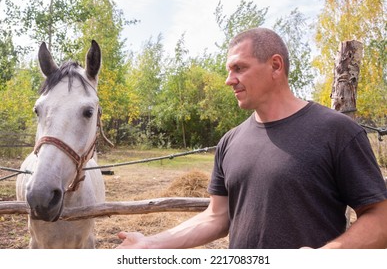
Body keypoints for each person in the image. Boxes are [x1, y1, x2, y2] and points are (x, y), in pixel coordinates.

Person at [117, 27, 387, 249]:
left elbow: (380, 219)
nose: (228, 80)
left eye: (239, 68)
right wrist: (150, 244)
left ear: (275, 65)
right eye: (229, 70)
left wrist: (328, 256)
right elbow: (217, 216)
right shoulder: (230, 141)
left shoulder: (336, 131)